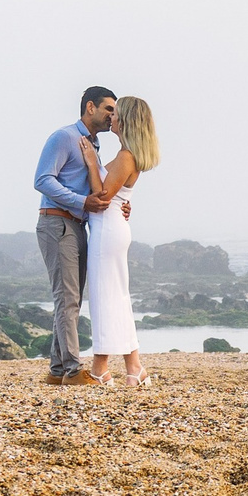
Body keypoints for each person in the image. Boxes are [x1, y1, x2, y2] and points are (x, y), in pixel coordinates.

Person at [33, 88, 123, 386]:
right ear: (90, 107)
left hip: (77, 226)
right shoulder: (65, 137)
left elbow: (99, 188)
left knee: (71, 300)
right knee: (67, 298)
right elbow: (42, 180)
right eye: (108, 109)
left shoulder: (92, 145)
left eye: (114, 111)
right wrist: (81, 202)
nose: (113, 115)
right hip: (57, 224)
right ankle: (73, 370)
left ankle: (57, 369)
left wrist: (121, 203)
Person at [77, 96, 159, 386]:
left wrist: (90, 162)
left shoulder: (126, 157)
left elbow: (101, 197)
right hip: (112, 228)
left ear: (125, 121)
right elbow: (117, 194)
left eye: (115, 113)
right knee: (117, 297)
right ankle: (134, 367)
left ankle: (100, 369)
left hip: (108, 230)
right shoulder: (127, 154)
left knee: (103, 297)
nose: (110, 117)